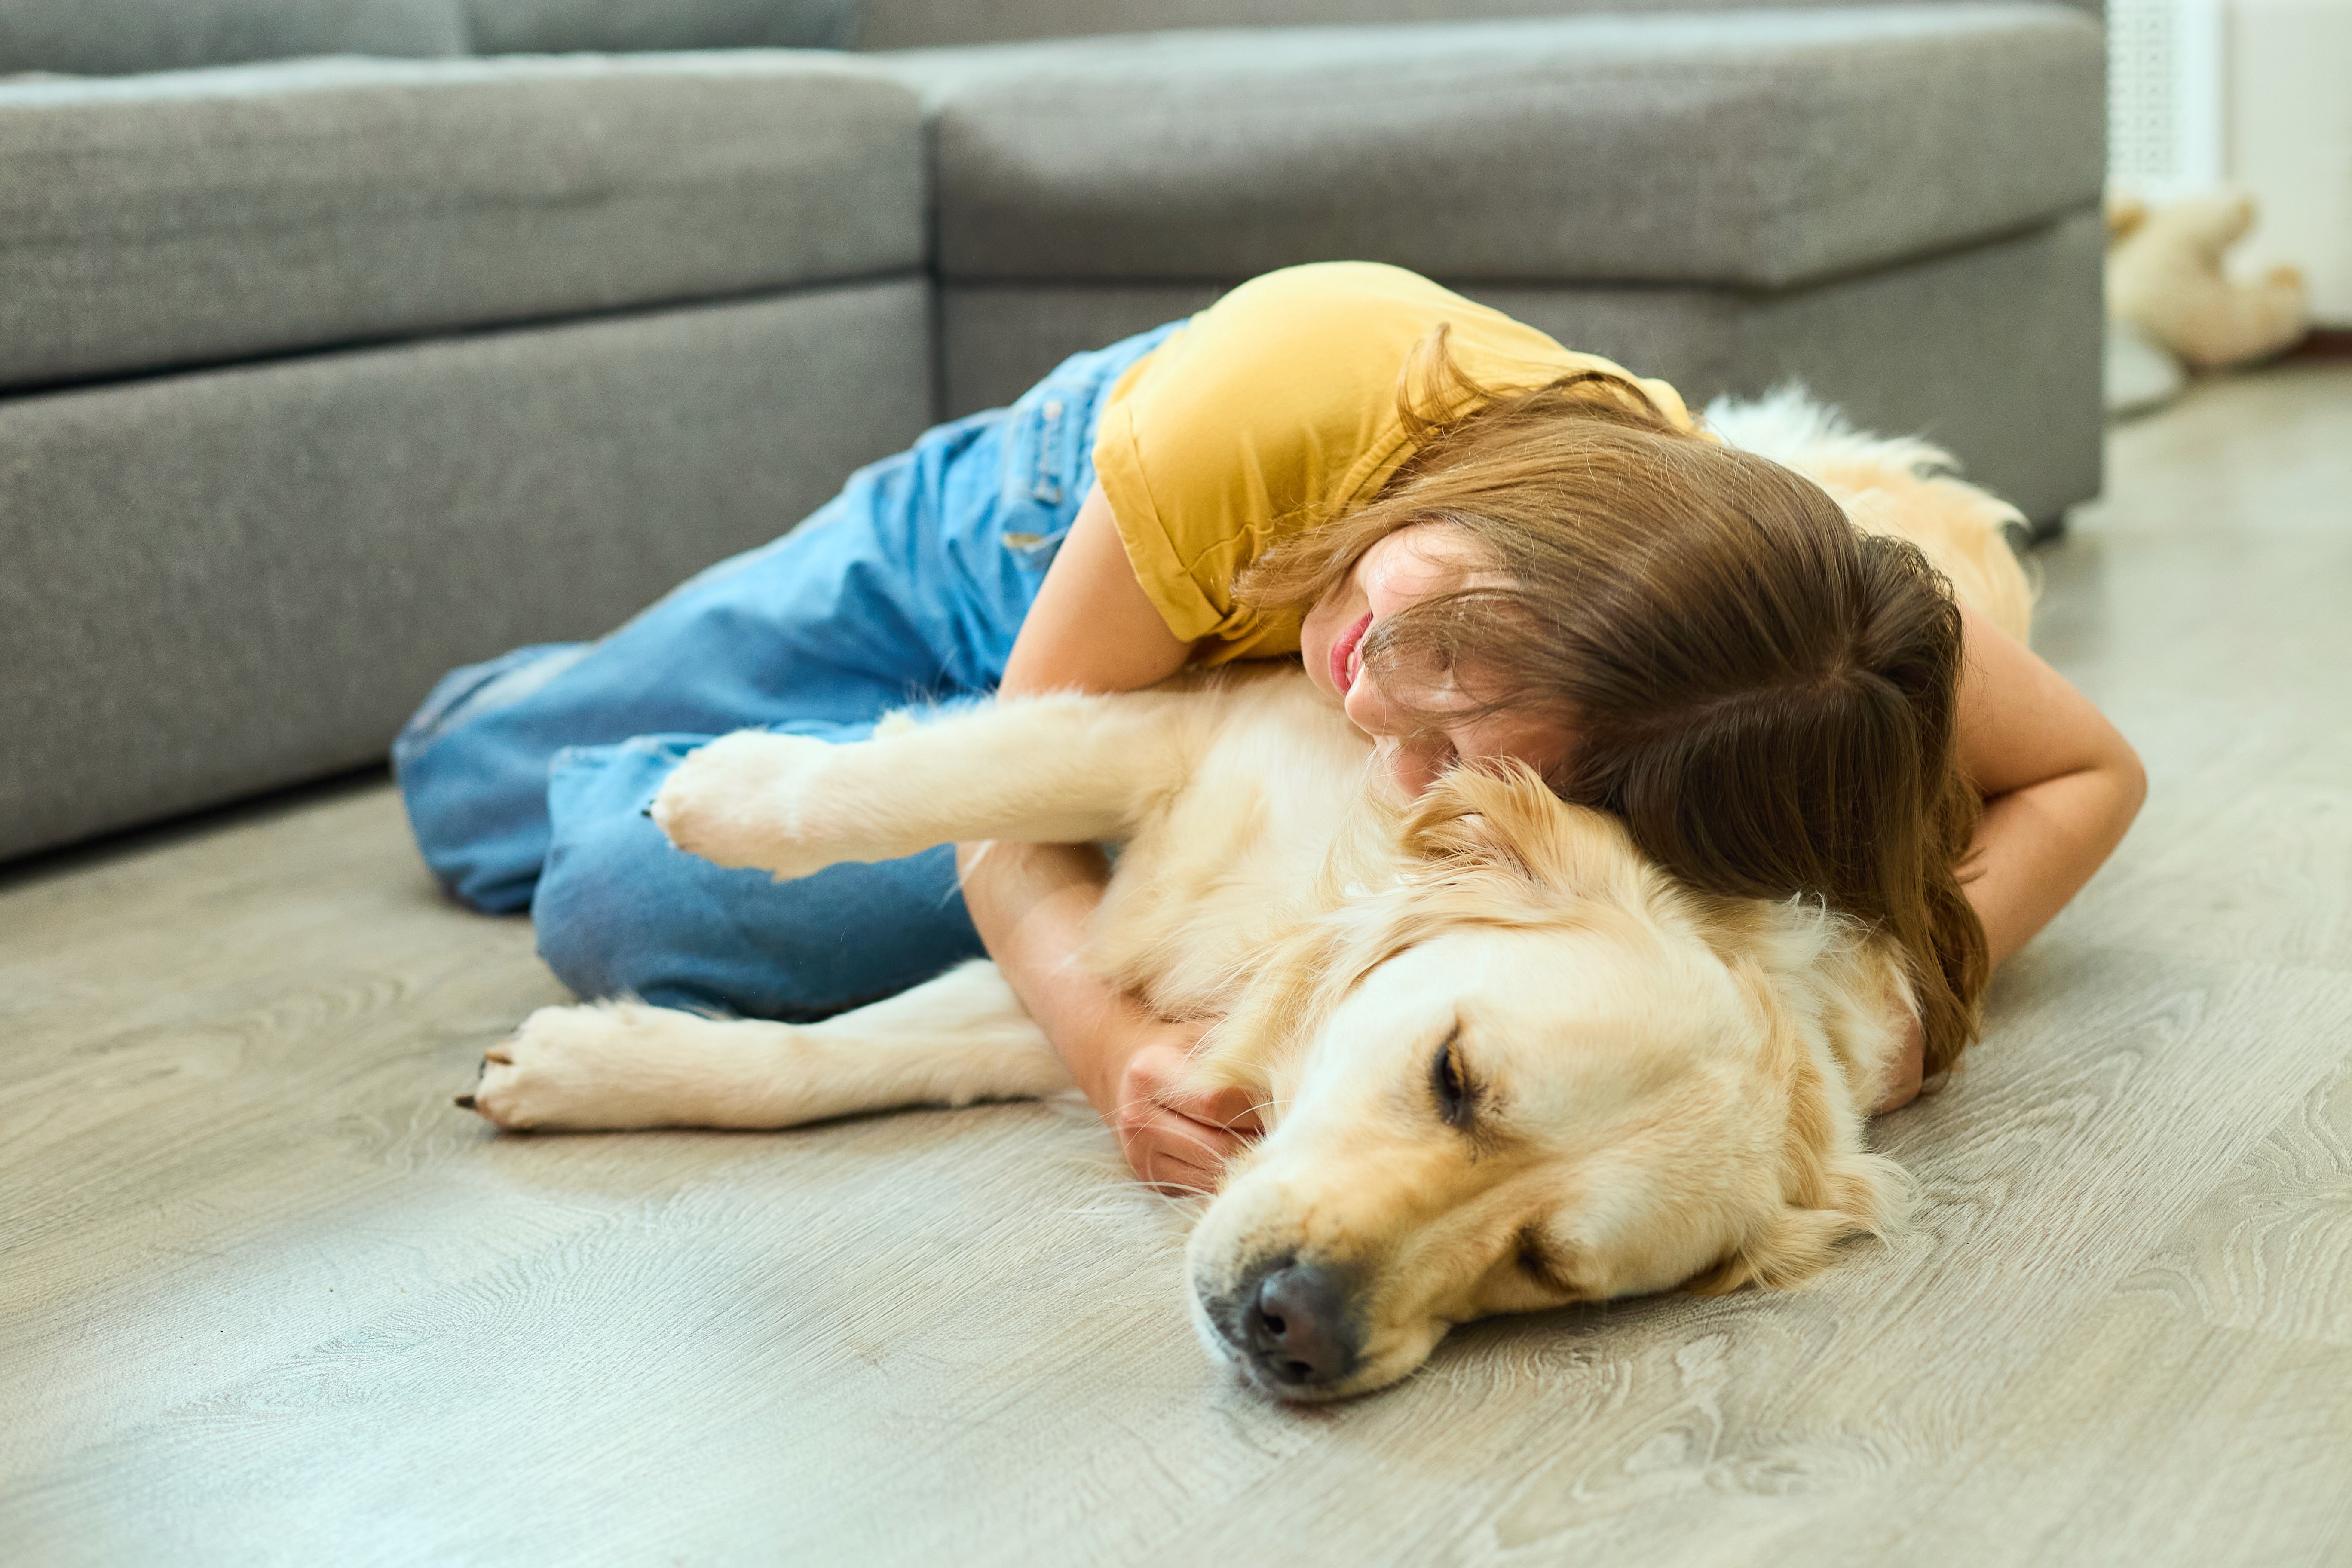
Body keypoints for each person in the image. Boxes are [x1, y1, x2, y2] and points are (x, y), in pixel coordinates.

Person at [396, 263, 2146, 1192]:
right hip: (1027, 539)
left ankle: (698, 772)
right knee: (461, 785)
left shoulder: (1816, 658)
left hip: (1162, 729)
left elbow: (2082, 772)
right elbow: (1019, 801)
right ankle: (591, 714)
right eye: (1432, 632)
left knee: (629, 910)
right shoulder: (1305, 379)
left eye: (1458, 752)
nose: (1367, 694)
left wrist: (1907, 1001)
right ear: (1544, 506)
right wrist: (1099, 1049)